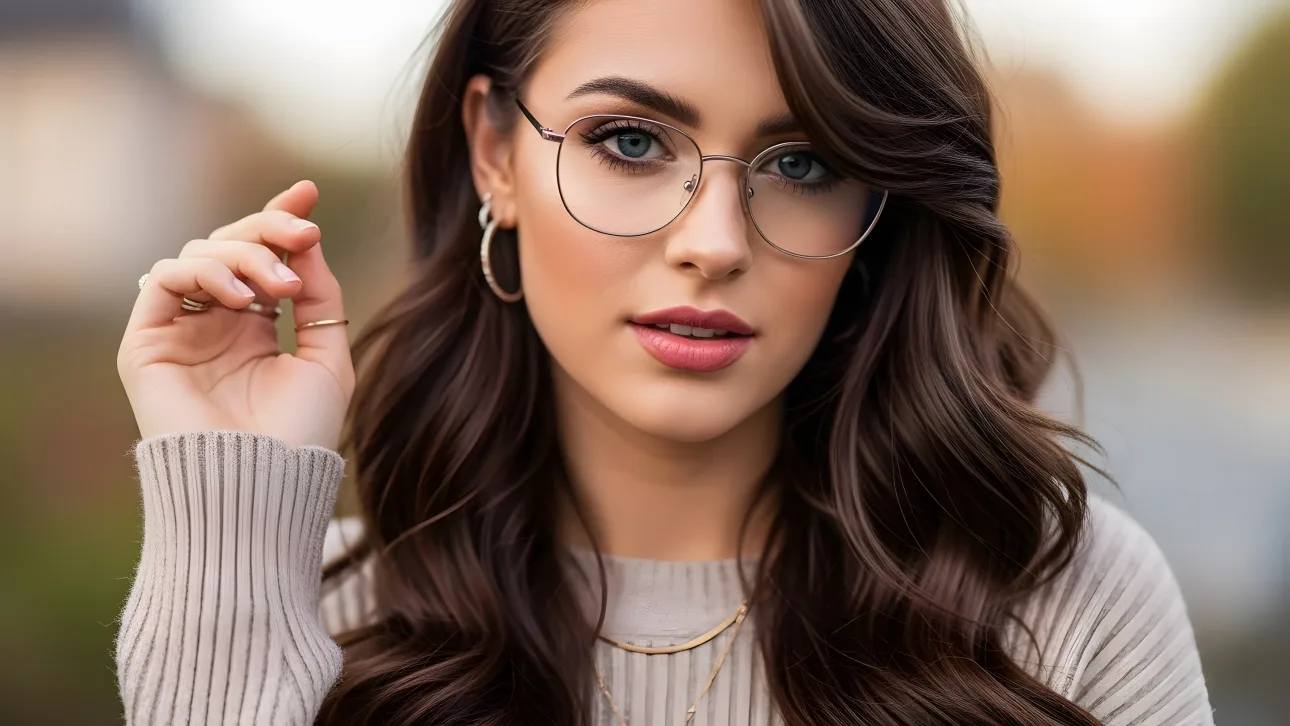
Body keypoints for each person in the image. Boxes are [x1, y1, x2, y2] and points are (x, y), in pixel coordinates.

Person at [113, 0, 1216, 723]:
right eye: (631, 143)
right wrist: (234, 499)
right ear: (496, 150)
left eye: (804, 162)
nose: (717, 242)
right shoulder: (307, 617)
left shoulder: (1059, 605)